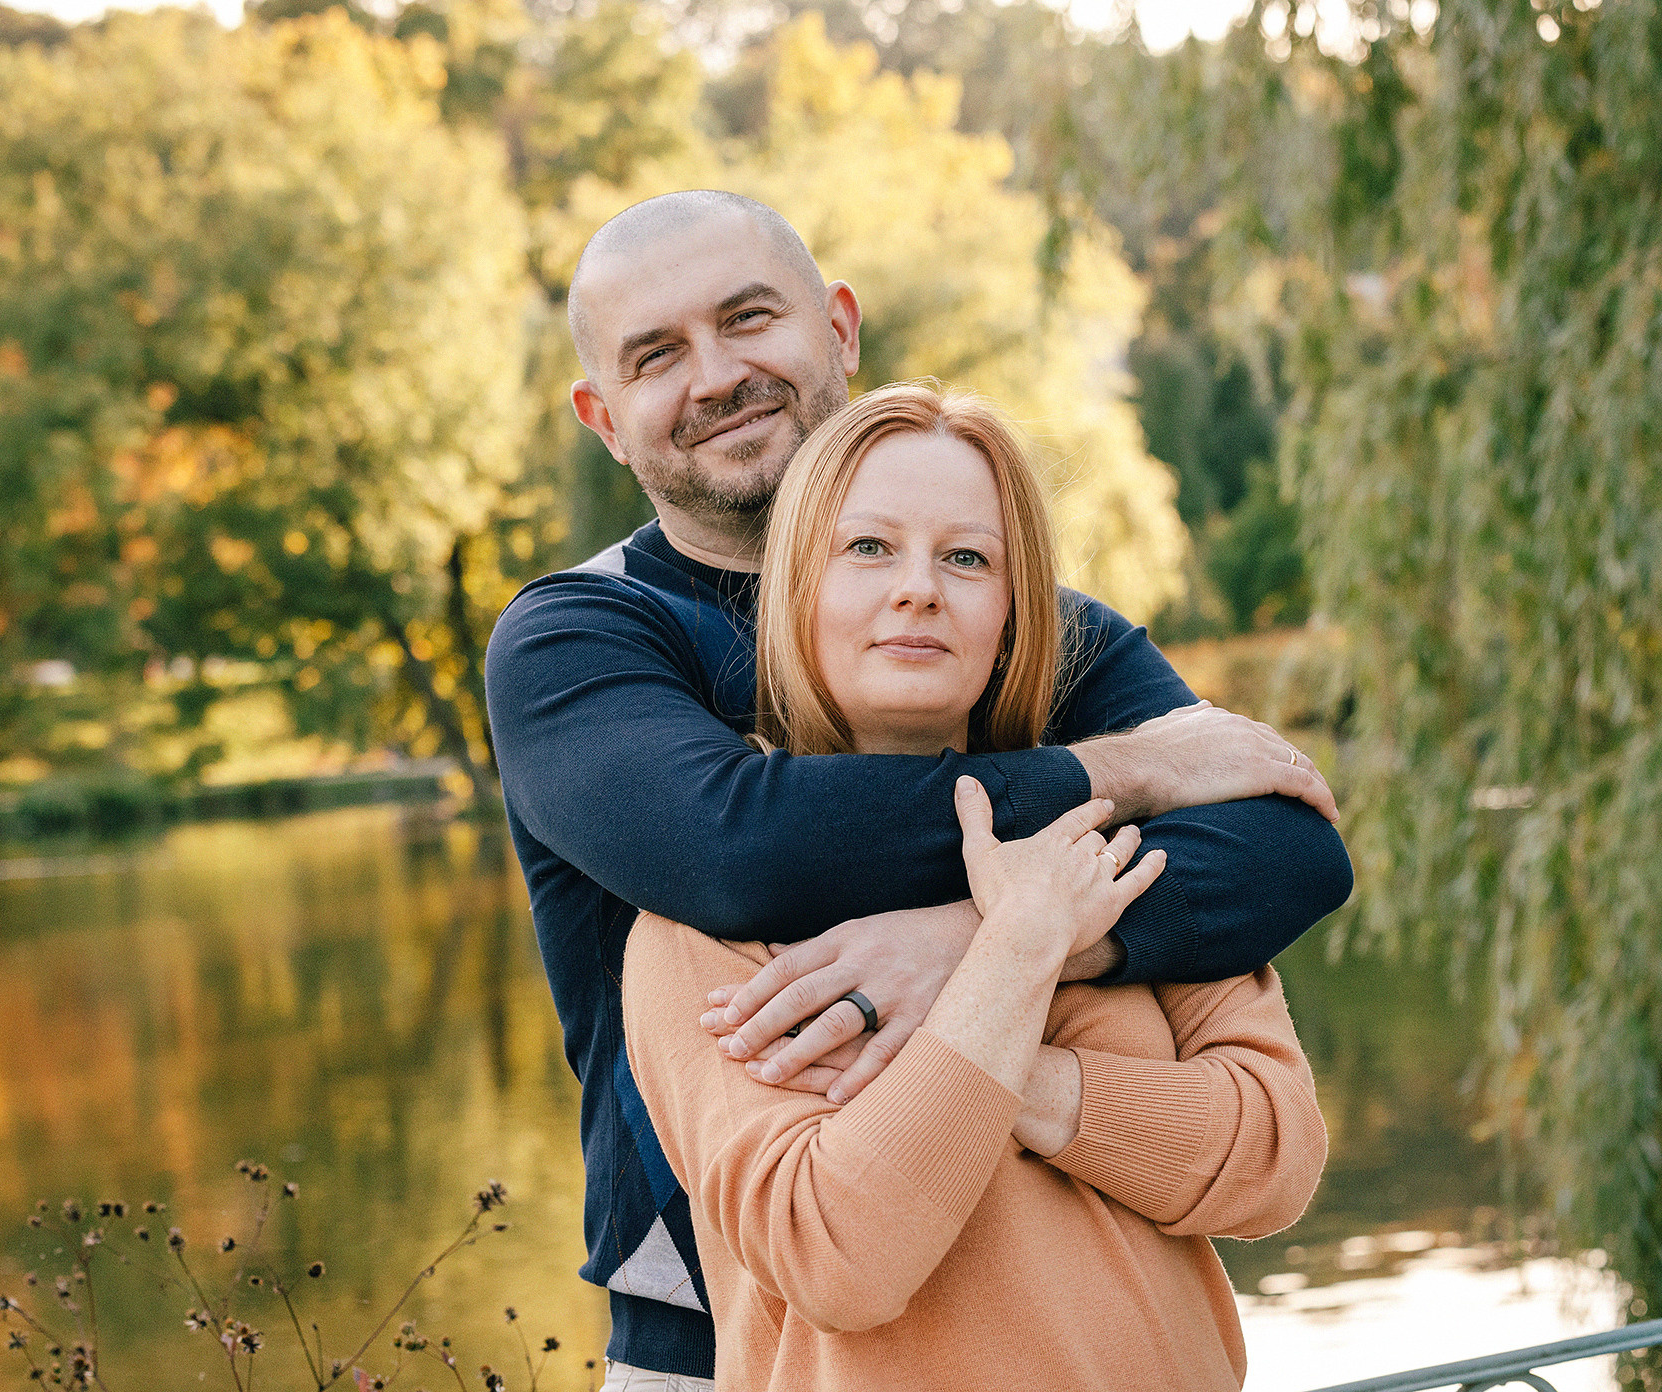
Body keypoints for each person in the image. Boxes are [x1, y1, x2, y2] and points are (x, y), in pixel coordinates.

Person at [482, 189, 1350, 1387]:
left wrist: (980, 942)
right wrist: (1129, 774)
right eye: (657, 355)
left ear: (838, 329)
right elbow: (737, 852)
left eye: (747, 318)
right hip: (732, 1342)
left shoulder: (1021, 631)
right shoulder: (580, 640)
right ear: (603, 418)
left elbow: (1287, 852)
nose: (717, 374)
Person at [622, 381, 1327, 1390]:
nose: (919, 589)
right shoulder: (701, 927)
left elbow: (1271, 1160)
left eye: (966, 558)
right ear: (796, 590)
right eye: (869, 548)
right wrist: (1014, 953)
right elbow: (835, 1253)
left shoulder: (1119, 845)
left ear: (1011, 613)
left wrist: (1006, 1063)